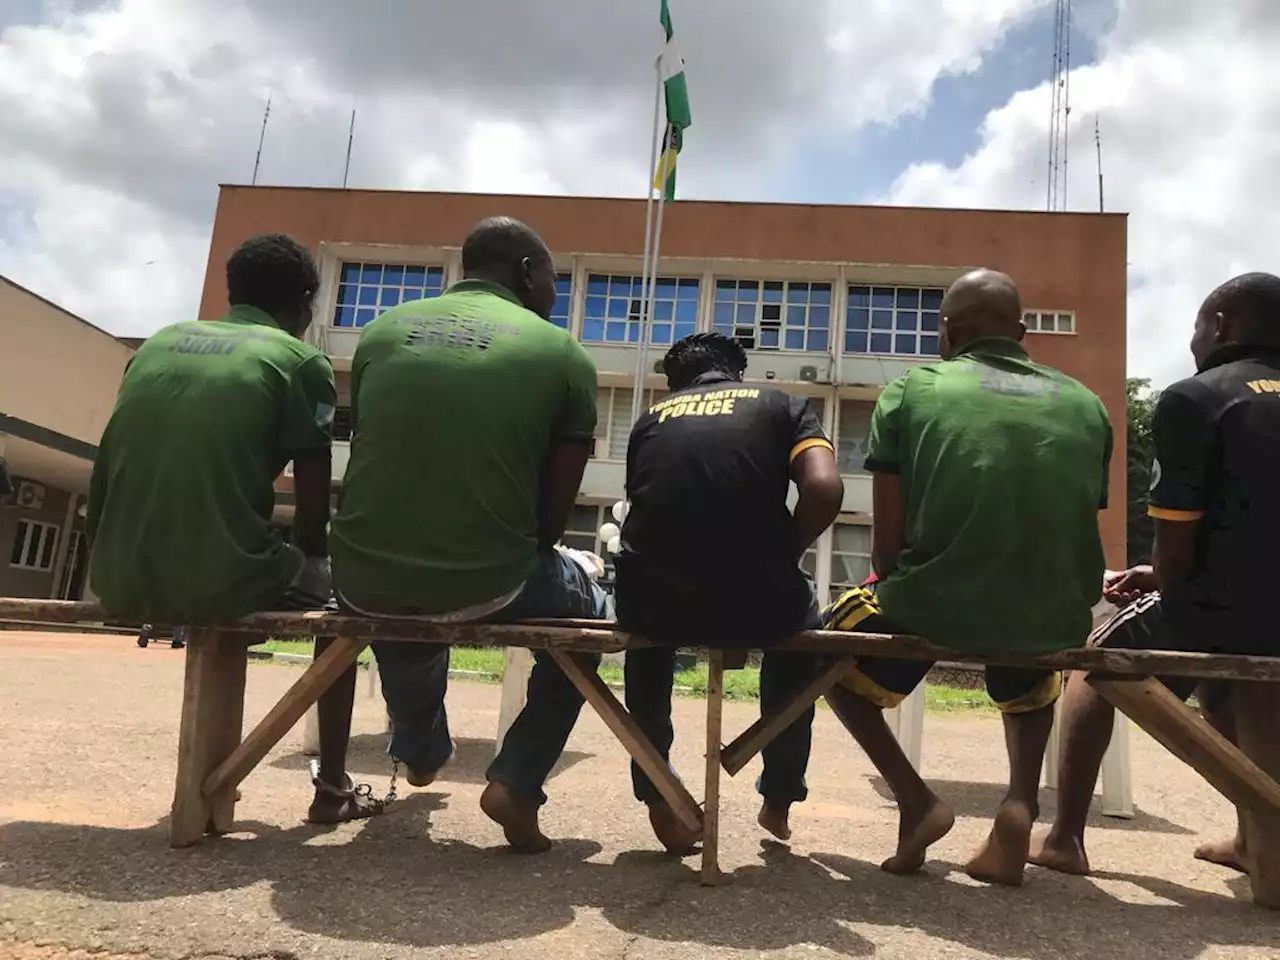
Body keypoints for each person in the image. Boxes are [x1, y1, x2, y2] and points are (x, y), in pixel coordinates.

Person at [821, 268, 1113, 886]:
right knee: (1029, 667)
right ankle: (1018, 803)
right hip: (1053, 611)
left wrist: (905, 578)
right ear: (1024, 332)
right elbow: (1071, 524)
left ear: (947, 333)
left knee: (828, 660)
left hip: (938, 600)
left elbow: (887, 549)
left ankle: (916, 801)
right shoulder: (1087, 404)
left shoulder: (913, 390)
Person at [330, 216, 607, 853]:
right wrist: (533, 553)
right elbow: (552, 518)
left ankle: (421, 749)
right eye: (554, 282)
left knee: (405, 598)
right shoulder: (561, 352)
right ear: (530, 272)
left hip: (360, 575)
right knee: (590, 620)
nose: (554, 295)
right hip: (493, 577)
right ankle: (517, 779)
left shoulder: (379, 334)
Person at [87, 234, 373, 824]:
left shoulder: (157, 345)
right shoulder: (301, 363)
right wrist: (310, 558)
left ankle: (232, 771)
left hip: (113, 571)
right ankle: (333, 787)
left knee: (245, 557)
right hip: (220, 573)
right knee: (351, 600)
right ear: (304, 303)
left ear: (231, 291)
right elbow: (314, 499)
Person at [1031, 272, 1280, 877]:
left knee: (1094, 665)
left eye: (1197, 325)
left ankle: (1066, 838)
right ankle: (1258, 843)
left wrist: (1164, 577)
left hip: (1221, 604)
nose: (1193, 339)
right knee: (1239, 684)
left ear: (1219, 325)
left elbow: (1176, 546)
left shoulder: (1196, 398)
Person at [614, 332, 843, 853]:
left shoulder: (650, 420)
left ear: (675, 382)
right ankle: (779, 797)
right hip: (757, 595)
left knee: (646, 649)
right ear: (737, 372)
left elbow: (649, 509)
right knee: (798, 637)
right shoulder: (783, 404)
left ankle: (661, 801)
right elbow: (824, 488)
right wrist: (785, 553)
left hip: (656, 599)